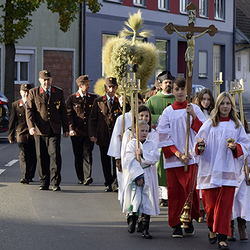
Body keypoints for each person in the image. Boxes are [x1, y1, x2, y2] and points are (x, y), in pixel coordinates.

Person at [195, 92, 250, 250]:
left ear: (232, 105)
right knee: (210, 207)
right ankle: (212, 228)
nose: (225, 106)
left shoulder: (237, 125)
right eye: (222, 103)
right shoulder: (209, 124)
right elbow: (198, 144)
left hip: (228, 170)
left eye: (228, 103)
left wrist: (236, 147)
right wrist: (200, 145)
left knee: (224, 206)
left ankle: (222, 237)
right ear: (217, 105)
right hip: (210, 169)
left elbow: (245, 146)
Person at [157, 77, 206, 238]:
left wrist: (193, 116)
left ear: (187, 91)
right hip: (174, 158)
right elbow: (163, 136)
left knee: (190, 191)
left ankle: (189, 220)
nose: (179, 92)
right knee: (175, 192)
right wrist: (178, 154)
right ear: (173, 91)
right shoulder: (168, 112)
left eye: (182, 89)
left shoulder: (195, 110)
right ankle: (176, 224)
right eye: (176, 89)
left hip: (191, 157)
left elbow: (204, 133)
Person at [26, 70, 69, 191]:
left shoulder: (58, 92)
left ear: (51, 80)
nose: (46, 82)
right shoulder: (33, 92)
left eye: (48, 79)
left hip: (54, 130)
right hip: (39, 130)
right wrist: (31, 127)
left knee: (55, 156)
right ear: (40, 81)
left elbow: (63, 112)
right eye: (44, 80)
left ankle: (55, 182)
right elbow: (29, 111)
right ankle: (44, 182)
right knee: (41, 156)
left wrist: (65, 128)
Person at [123, 120, 160, 239]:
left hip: (148, 174)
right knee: (136, 200)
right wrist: (138, 176)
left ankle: (145, 228)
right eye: (142, 131)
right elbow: (130, 160)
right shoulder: (132, 144)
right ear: (135, 131)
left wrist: (143, 153)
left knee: (147, 201)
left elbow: (155, 157)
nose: (144, 133)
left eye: (146, 131)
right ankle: (132, 220)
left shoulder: (151, 144)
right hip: (136, 175)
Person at [146, 70, 176, 207]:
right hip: (157, 137)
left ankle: (171, 194)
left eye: (170, 82)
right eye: (166, 83)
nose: (168, 85)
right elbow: (146, 116)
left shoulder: (177, 99)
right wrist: (162, 119)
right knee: (159, 167)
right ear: (160, 84)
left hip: (174, 138)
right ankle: (161, 195)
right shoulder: (152, 100)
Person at [89, 77, 122, 192]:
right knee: (105, 160)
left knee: (116, 160)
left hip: (116, 137)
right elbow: (93, 119)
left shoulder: (120, 102)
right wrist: (93, 134)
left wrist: (122, 105)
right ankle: (108, 182)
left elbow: (125, 117)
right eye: (109, 87)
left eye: (113, 87)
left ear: (116, 88)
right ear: (105, 88)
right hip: (103, 136)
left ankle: (116, 182)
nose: (111, 89)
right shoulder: (98, 101)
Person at [107, 93, 143, 196]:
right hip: (126, 156)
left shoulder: (144, 117)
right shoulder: (122, 119)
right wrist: (117, 158)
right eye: (135, 103)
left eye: (139, 103)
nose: (137, 105)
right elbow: (115, 140)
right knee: (126, 183)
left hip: (140, 155)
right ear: (130, 103)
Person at [66, 75, 97, 185]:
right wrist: (71, 129)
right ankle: (81, 177)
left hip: (88, 133)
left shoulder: (93, 98)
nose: (89, 86)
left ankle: (87, 176)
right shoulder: (72, 98)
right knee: (78, 155)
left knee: (88, 154)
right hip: (77, 132)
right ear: (80, 86)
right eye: (87, 84)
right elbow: (69, 116)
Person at [8, 84, 36, 184]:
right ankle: (24, 176)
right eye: (24, 92)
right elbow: (12, 121)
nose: (26, 94)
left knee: (33, 155)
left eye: (28, 92)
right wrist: (11, 135)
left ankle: (30, 175)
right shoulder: (16, 105)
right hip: (21, 134)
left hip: (33, 134)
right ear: (20, 93)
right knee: (24, 155)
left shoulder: (35, 103)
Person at [228, 114, 250, 241]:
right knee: (229, 201)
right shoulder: (228, 138)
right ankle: (230, 227)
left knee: (242, 200)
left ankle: (242, 226)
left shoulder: (248, 138)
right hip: (230, 173)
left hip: (243, 174)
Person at [196, 88, 215, 223]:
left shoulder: (213, 113)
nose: (206, 102)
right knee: (201, 180)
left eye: (208, 99)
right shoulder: (196, 112)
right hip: (200, 148)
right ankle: (201, 210)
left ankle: (210, 210)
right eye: (204, 99)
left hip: (212, 150)